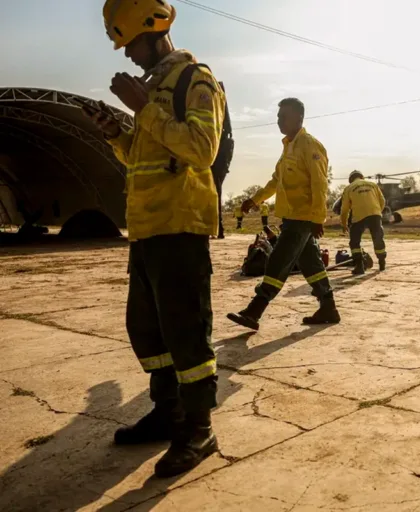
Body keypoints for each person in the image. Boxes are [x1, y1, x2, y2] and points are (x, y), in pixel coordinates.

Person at [91, 0, 222, 478]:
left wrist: (145, 111)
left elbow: (201, 151)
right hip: (146, 230)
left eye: (131, 43)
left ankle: (200, 429)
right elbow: (146, 159)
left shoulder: (194, 80)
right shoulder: (152, 89)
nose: (126, 55)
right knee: (146, 331)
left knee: (187, 334)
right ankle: (169, 411)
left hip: (180, 227)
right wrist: (117, 135)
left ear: (156, 28)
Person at [227, 98, 340, 331]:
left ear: (299, 118)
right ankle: (328, 307)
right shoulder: (288, 147)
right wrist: (254, 200)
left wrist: (318, 219)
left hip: (302, 218)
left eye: (283, 116)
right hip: (292, 218)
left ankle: (254, 311)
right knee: (311, 264)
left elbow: (320, 185)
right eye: (278, 117)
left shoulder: (310, 145)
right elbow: (275, 182)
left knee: (278, 262)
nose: (278, 121)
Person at [341, 170, 387, 274]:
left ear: (351, 180)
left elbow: (344, 210)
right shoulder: (373, 185)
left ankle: (359, 267)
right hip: (375, 214)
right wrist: (377, 212)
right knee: (378, 238)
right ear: (362, 177)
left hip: (359, 217)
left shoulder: (349, 188)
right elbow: (383, 201)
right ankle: (382, 263)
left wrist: (344, 225)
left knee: (355, 242)